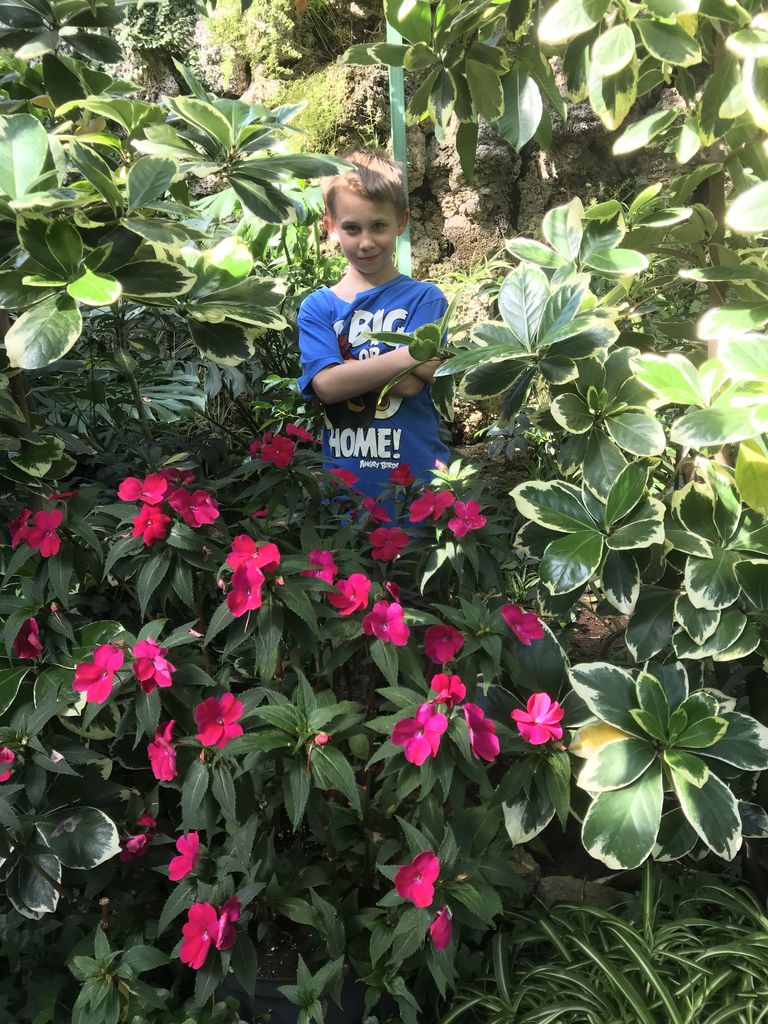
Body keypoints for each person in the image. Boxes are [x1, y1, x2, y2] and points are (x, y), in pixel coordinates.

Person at [297, 149, 450, 506]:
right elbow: (327, 386)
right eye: (352, 228)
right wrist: (411, 354)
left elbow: (412, 385)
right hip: (345, 491)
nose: (366, 242)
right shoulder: (318, 307)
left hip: (419, 487)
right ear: (331, 227)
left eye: (378, 226)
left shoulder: (425, 299)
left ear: (401, 221)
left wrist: (348, 370)